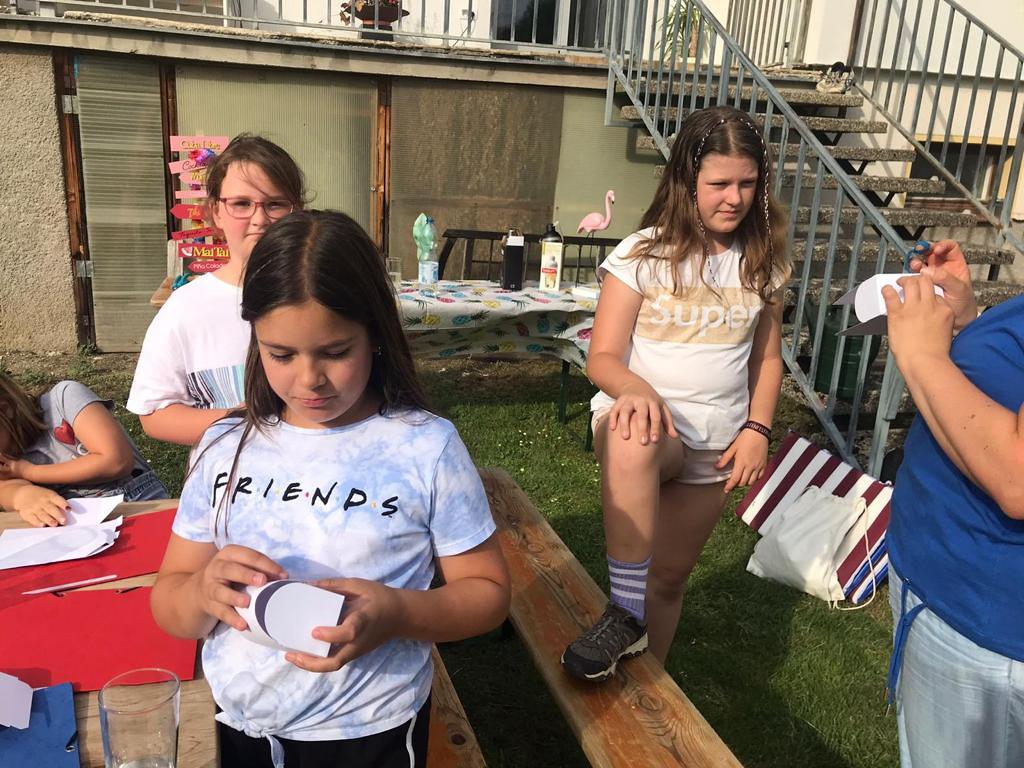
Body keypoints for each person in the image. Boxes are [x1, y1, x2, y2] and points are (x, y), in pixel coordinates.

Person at [150, 210, 510, 768]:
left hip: (369, 732)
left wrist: (396, 613)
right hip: (238, 728)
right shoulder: (224, 444)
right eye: (281, 354)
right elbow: (169, 601)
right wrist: (200, 593)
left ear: (376, 335)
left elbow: (487, 595)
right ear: (255, 341)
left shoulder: (425, 447)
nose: (309, 379)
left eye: (336, 353)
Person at [561, 105, 790, 682]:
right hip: (647, 430)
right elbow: (602, 357)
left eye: (747, 183)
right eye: (719, 184)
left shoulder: (762, 263)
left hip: (714, 443)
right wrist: (635, 390)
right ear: (687, 182)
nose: (734, 198)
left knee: (668, 579)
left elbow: (767, 359)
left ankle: (646, 688)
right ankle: (623, 611)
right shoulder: (643, 255)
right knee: (631, 432)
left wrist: (758, 429)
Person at [881, 239, 1024, 768]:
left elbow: (1017, 479)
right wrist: (973, 326)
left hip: (989, 636)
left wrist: (922, 355)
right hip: (951, 591)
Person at [128, 134, 307, 447]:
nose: (260, 219)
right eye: (241, 204)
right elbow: (154, 413)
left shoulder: (322, 293)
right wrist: (248, 421)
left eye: (275, 204)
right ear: (215, 212)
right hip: (230, 473)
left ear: (298, 210)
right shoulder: (185, 308)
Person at [0, 373, 168, 526]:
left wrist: (29, 472)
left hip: (135, 503)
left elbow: (116, 461)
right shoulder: (7, 457)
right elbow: (5, 489)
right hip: (76, 528)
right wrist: (21, 495)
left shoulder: (64, 399)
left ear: (5, 410)